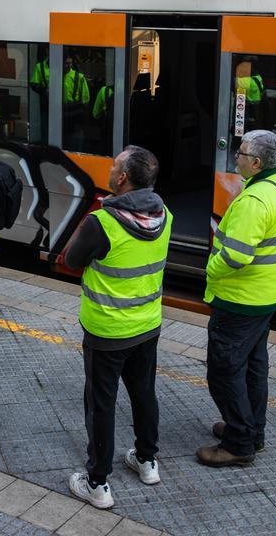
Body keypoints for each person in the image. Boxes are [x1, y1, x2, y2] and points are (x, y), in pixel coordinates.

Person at [64, 146, 170, 509]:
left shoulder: (102, 222)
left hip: (107, 331)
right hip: (148, 325)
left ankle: (97, 483)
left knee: (101, 405)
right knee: (144, 394)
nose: (110, 171)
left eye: (114, 167)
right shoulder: (165, 216)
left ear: (122, 178)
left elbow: (72, 260)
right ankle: (147, 461)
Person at [198, 130, 276, 468]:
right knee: (254, 367)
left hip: (241, 299)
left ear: (255, 163)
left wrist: (211, 268)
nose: (235, 157)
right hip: (265, 296)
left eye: (240, 153)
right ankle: (253, 431)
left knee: (224, 370)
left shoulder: (254, 202)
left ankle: (239, 442)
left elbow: (235, 256)